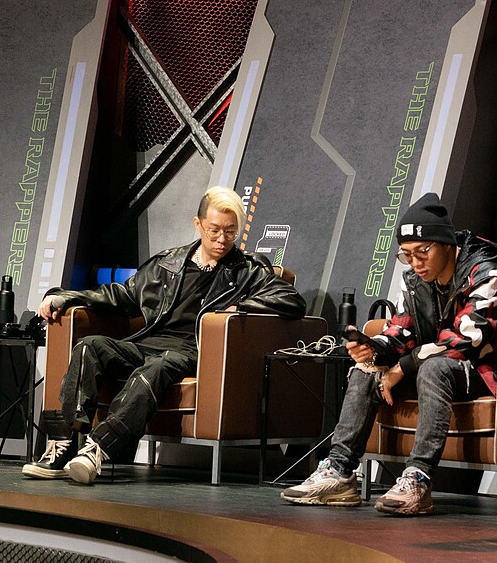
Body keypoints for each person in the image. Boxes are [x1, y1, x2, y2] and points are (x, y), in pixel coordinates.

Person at [22, 185, 307, 485]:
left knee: (156, 368)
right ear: (198, 224)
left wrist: (242, 305)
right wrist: (66, 297)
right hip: (147, 343)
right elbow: (122, 295)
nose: (222, 239)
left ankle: (97, 449)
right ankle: (65, 443)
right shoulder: (168, 263)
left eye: (230, 232)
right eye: (214, 230)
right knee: (89, 347)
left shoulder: (248, 271)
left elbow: (292, 300)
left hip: (191, 351)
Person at [281, 192, 497, 515]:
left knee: (434, 368)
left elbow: (465, 340)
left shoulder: (488, 275)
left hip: (484, 370)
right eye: (407, 255)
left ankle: (418, 478)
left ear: (447, 244)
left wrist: (403, 367)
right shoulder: (414, 280)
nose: (415, 263)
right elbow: (400, 330)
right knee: (368, 367)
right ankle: (339, 471)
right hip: (432, 366)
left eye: (422, 252)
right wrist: (374, 348)